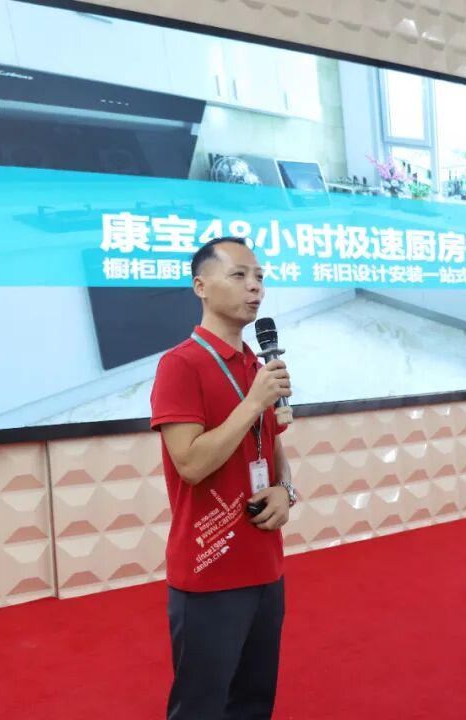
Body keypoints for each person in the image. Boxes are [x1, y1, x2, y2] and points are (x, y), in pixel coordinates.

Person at [150, 236, 300, 719]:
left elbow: (272, 445)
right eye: (239, 275)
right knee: (201, 706)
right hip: (209, 568)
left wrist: (285, 490)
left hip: (264, 564)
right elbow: (191, 463)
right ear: (201, 287)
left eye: (259, 277)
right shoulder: (180, 365)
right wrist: (253, 402)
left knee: (253, 703)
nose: (255, 287)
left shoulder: (257, 364)